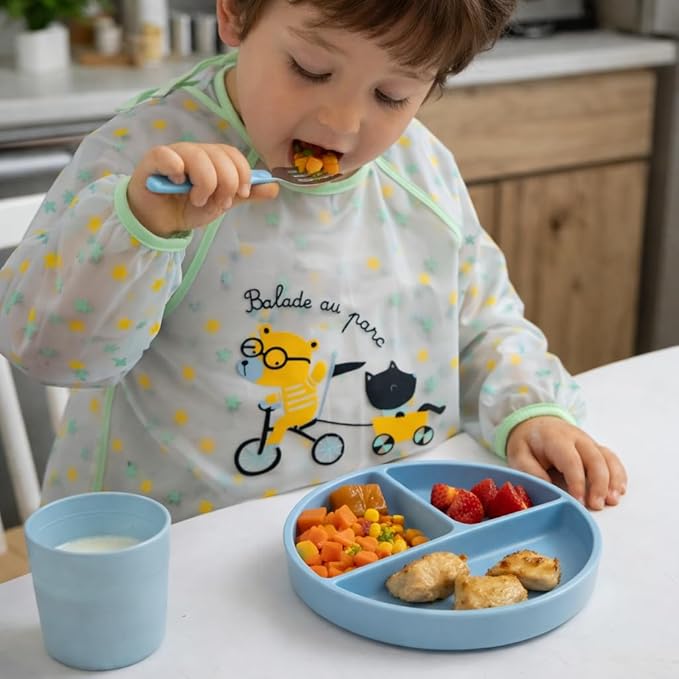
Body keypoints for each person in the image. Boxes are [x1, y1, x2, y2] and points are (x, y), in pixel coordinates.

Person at [0, 0, 626, 522]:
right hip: (180, 546)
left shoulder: (424, 172)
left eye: (391, 94)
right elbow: (52, 354)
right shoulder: (145, 155)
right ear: (235, 14)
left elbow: (484, 323)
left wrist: (529, 410)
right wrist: (140, 225)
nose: (341, 122)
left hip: (378, 533)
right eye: (310, 68)